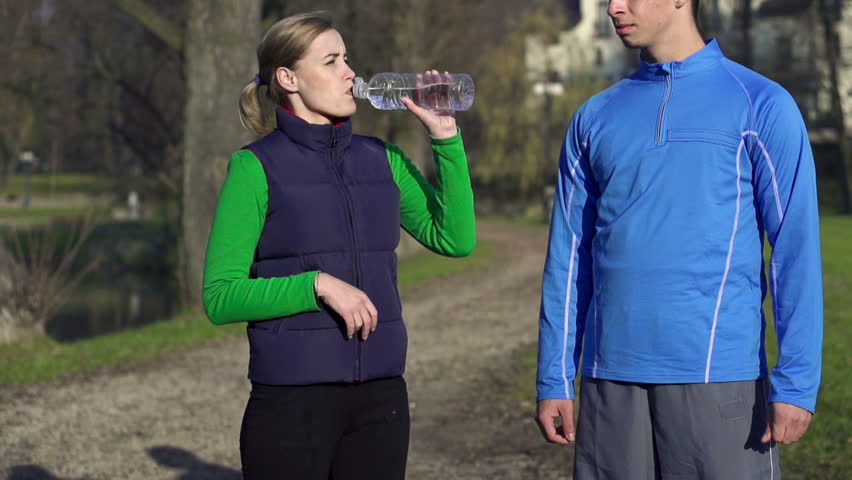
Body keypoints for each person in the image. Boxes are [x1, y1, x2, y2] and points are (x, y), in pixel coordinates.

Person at [535, 0, 823, 478]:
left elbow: (796, 254)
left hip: (719, 378)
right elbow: (568, 259)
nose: (613, 7)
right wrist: (555, 377)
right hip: (610, 382)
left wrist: (796, 384)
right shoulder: (594, 117)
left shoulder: (760, 103)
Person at [202, 11, 476, 479]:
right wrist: (317, 285)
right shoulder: (255, 167)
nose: (351, 72)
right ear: (288, 78)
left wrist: (445, 137)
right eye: (331, 61)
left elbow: (455, 239)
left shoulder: (383, 158)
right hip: (290, 403)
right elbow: (220, 297)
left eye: (346, 59)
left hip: (381, 400)